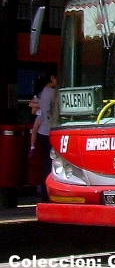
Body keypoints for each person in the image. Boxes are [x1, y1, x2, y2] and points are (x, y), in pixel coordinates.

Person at [32, 71, 56, 202]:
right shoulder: (52, 93)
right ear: (52, 77)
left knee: (46, 164)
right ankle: (50, 194)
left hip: (42, 131)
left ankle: (44, 195)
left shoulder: (41, 93)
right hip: (50, 132)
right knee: (52, 165)